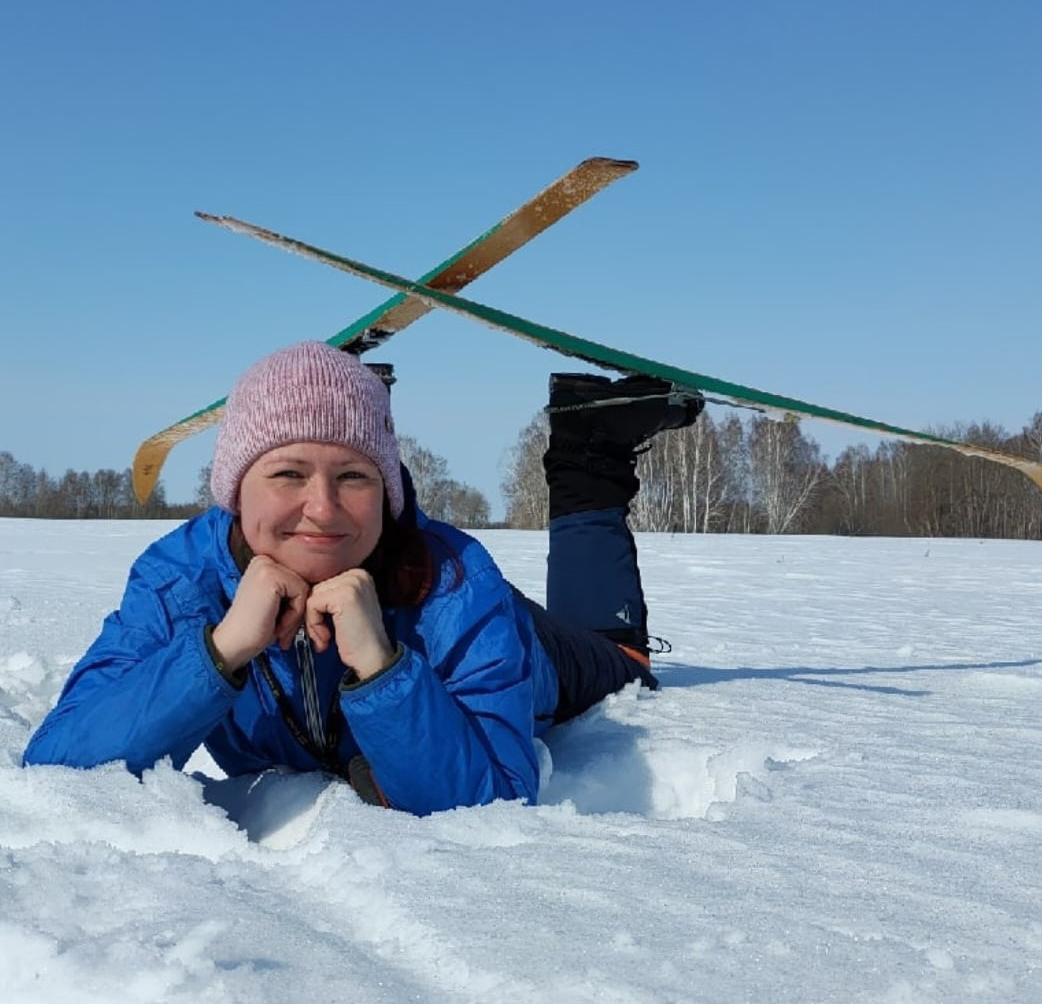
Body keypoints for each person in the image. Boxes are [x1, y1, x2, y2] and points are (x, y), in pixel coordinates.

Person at [23, 342, 702, 817]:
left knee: (623, 660)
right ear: (235, 488)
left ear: (385, 489)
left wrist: (382, 667)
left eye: (353, 475)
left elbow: (493, 798)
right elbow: (56, 766)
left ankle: (589, 446)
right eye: (288, 473)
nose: (322, 509)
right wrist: (221, 650)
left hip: (527, 645)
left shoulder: (455, 580)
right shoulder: (180, 580)